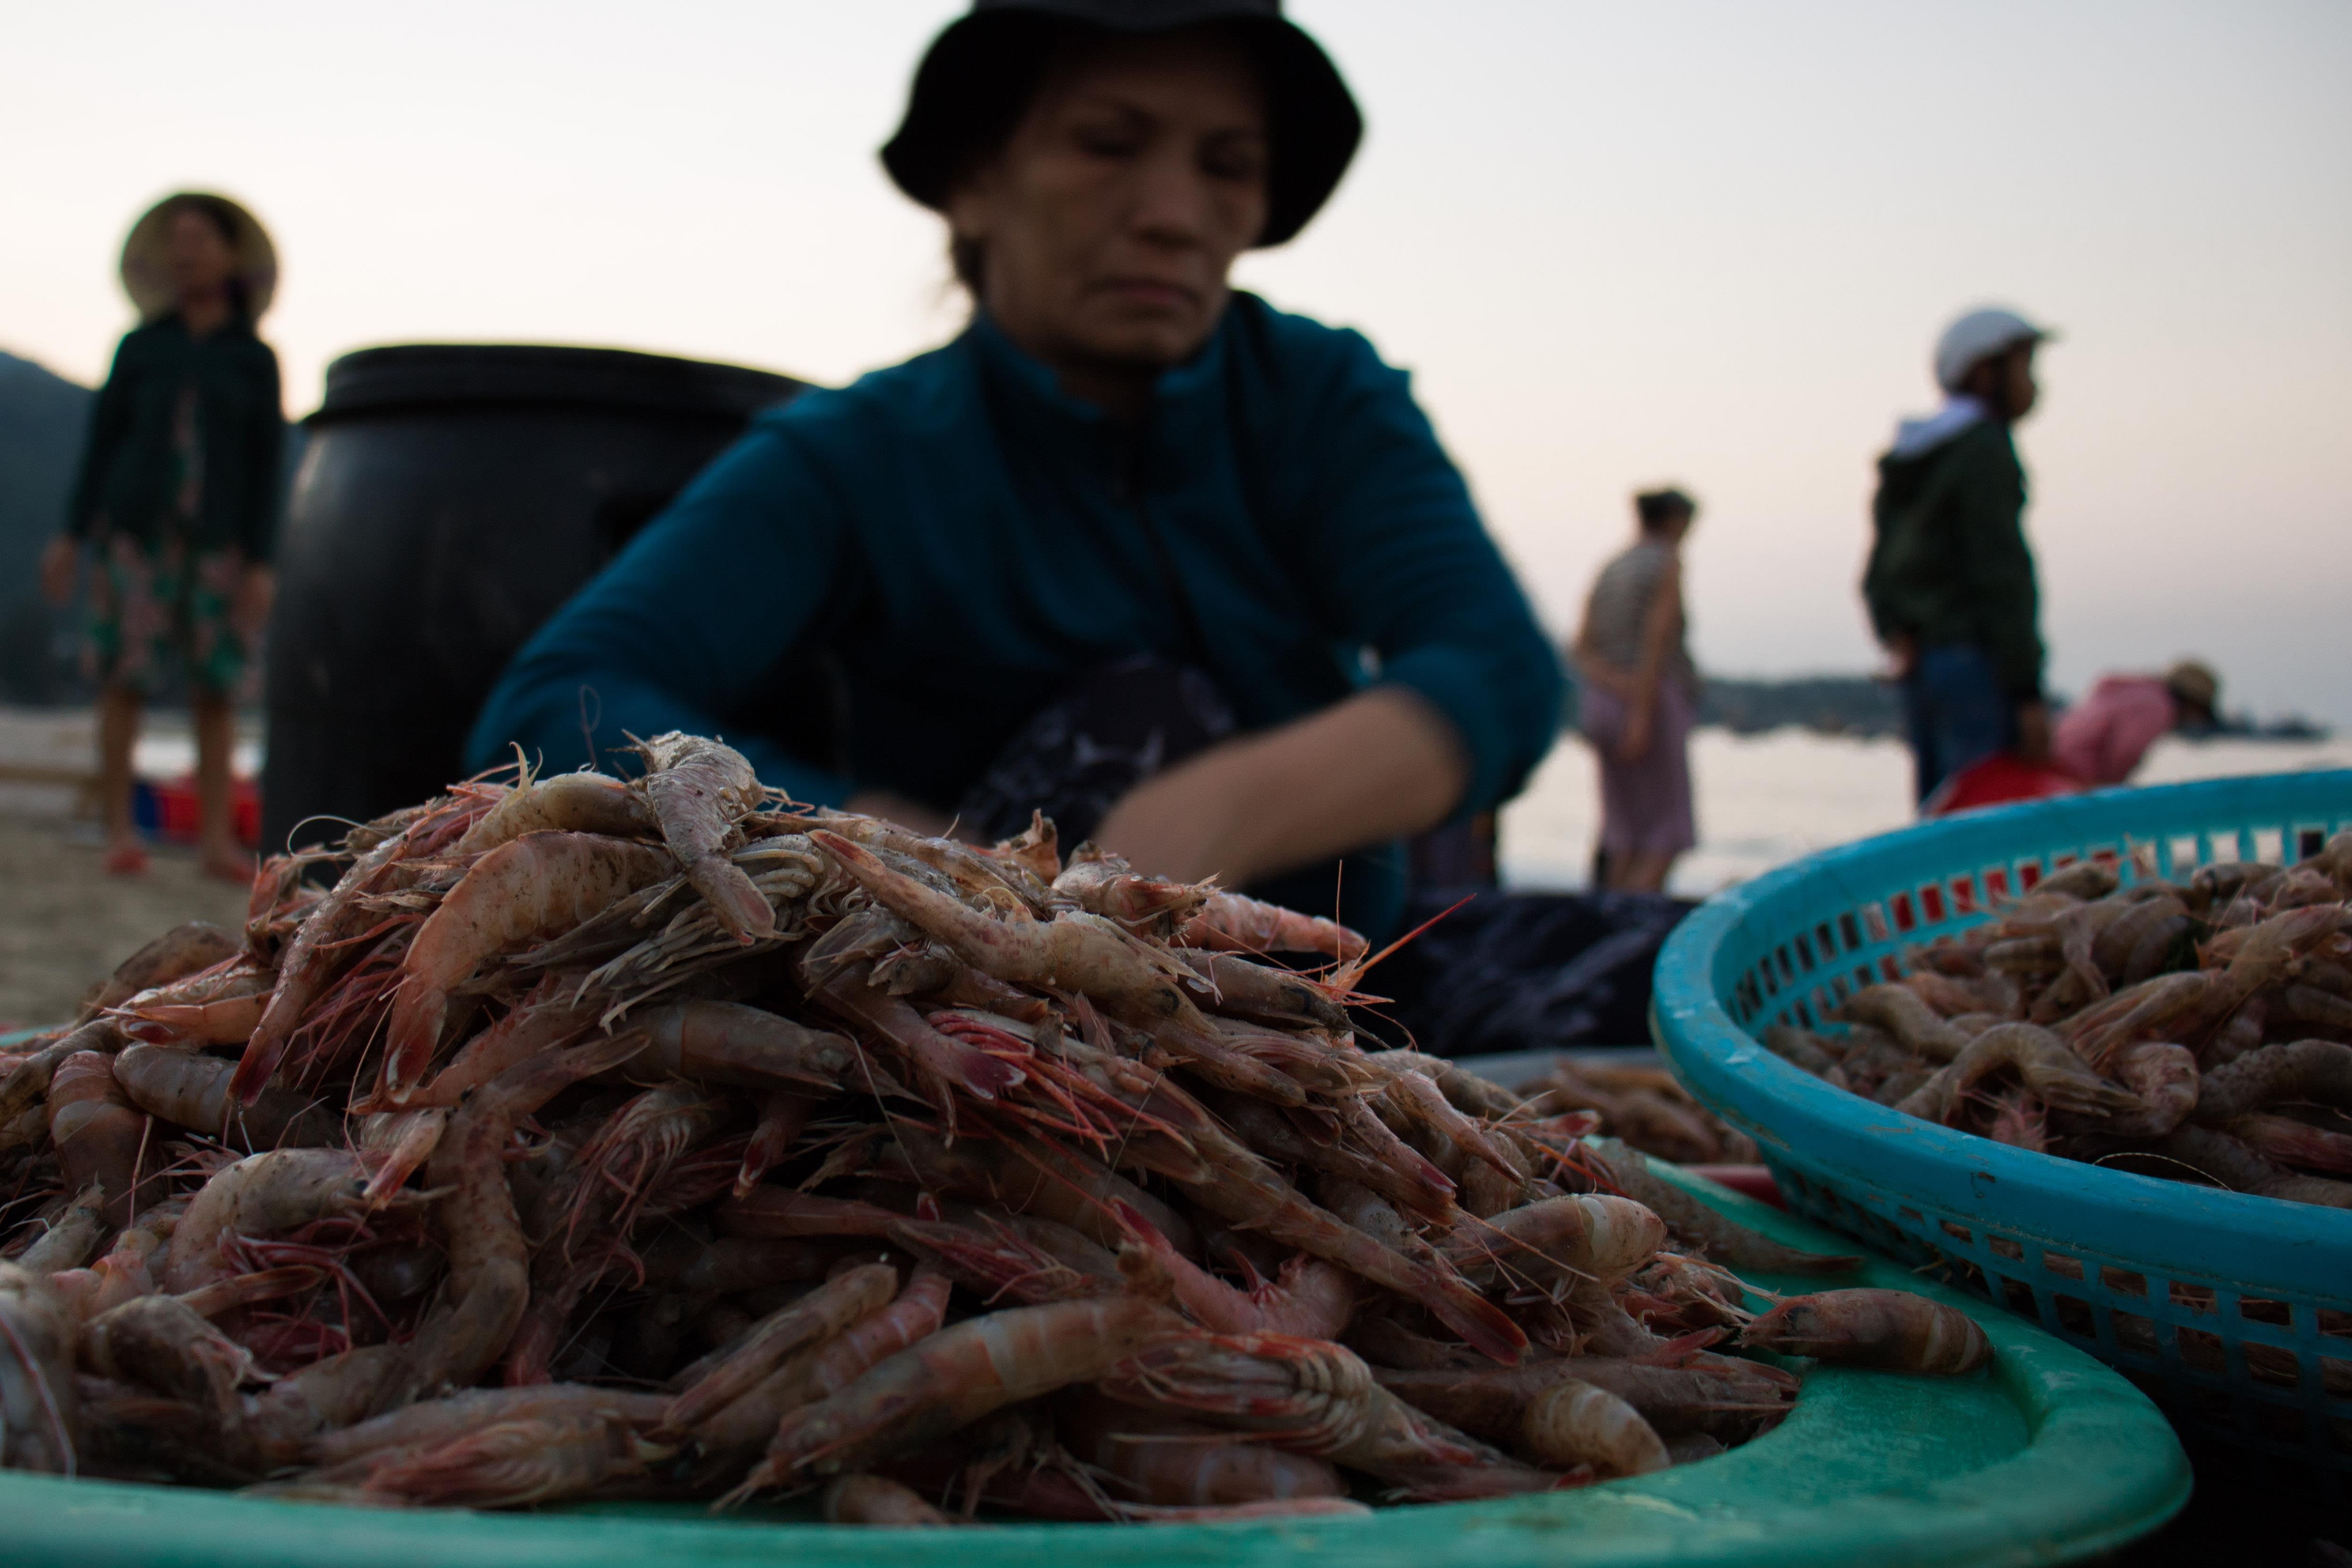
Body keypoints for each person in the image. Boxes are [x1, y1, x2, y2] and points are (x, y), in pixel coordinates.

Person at [468, 0, 1562, 944]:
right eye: (1105, 143)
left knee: (1682, 981)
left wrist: (1205, 816)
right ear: (972, 185)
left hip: (1348, 981)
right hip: (1007, 1001)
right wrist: (881, 838)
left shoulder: (1322, 399)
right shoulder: (860, 452)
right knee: (1145, 706)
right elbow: (558, 699)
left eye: (1225, 165)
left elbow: (1499, 668)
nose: (1173, 214)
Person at [41, 193, 283, 880]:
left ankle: (215, 841)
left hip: (222, 544)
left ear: (232, 255)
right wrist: (70, 535)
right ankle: (119, 829)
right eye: (176, 241)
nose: (187, 252)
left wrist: (264, 561)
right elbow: (103, 444)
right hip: (136, 535)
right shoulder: (141, 347)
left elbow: (268, 466)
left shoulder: (254, 359)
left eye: (200, 239)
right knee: (125, 678)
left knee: (218, 688)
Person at [1863, 306, 2055, 806]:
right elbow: (2001, 573)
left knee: (1938, 810)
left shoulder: (1911, 455)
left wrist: (1896, 631)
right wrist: (2026, 689)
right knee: (1982, 816)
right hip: (1974, 660)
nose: (2033, 384)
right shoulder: (1982, 451)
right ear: (1984, 371)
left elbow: (1878, 571)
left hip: (1922, 663)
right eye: (2024, 366)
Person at [1571, 488, 1699, 893]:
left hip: (1602, 701)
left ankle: (1609, 926)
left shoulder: (1611, 566)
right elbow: (1656, 642)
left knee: (1622, 833)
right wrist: (1641, 711)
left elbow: (1580, 647)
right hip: (1649, 703)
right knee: (1666, 834)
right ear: (1674, 519)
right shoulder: (1666, 562)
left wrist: (1611, 684)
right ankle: (1637, 932)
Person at [2053, 660, 2220, 787]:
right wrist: (2110, 791)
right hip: (2072, 777)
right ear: (2193, 704)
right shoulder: (2159, 706)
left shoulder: (2140, 692)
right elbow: (2126, 752)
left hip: (2056, 763)